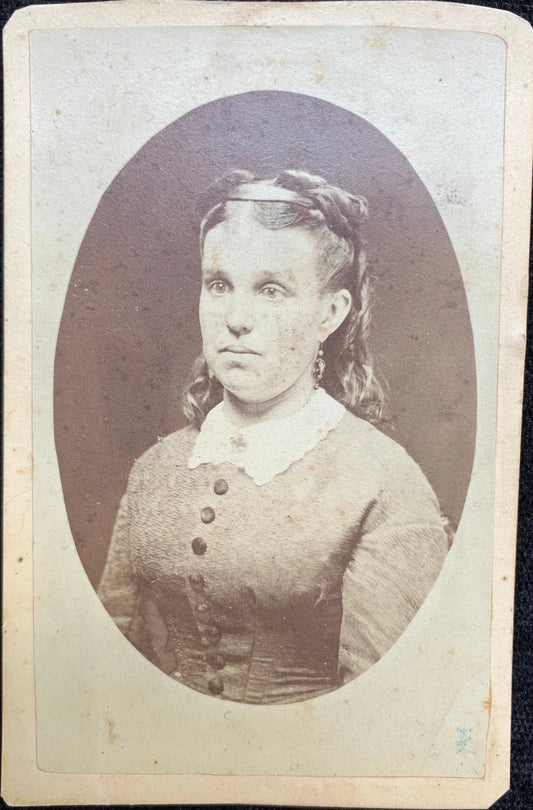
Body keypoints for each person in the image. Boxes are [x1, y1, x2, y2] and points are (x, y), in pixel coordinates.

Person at [98, 169, 451, 705]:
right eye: (219, 285)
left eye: (271, 290)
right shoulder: (157, 467)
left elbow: (388, 706)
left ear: (329, 314)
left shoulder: (384, 481)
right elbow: (107, 654)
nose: (236, 319)